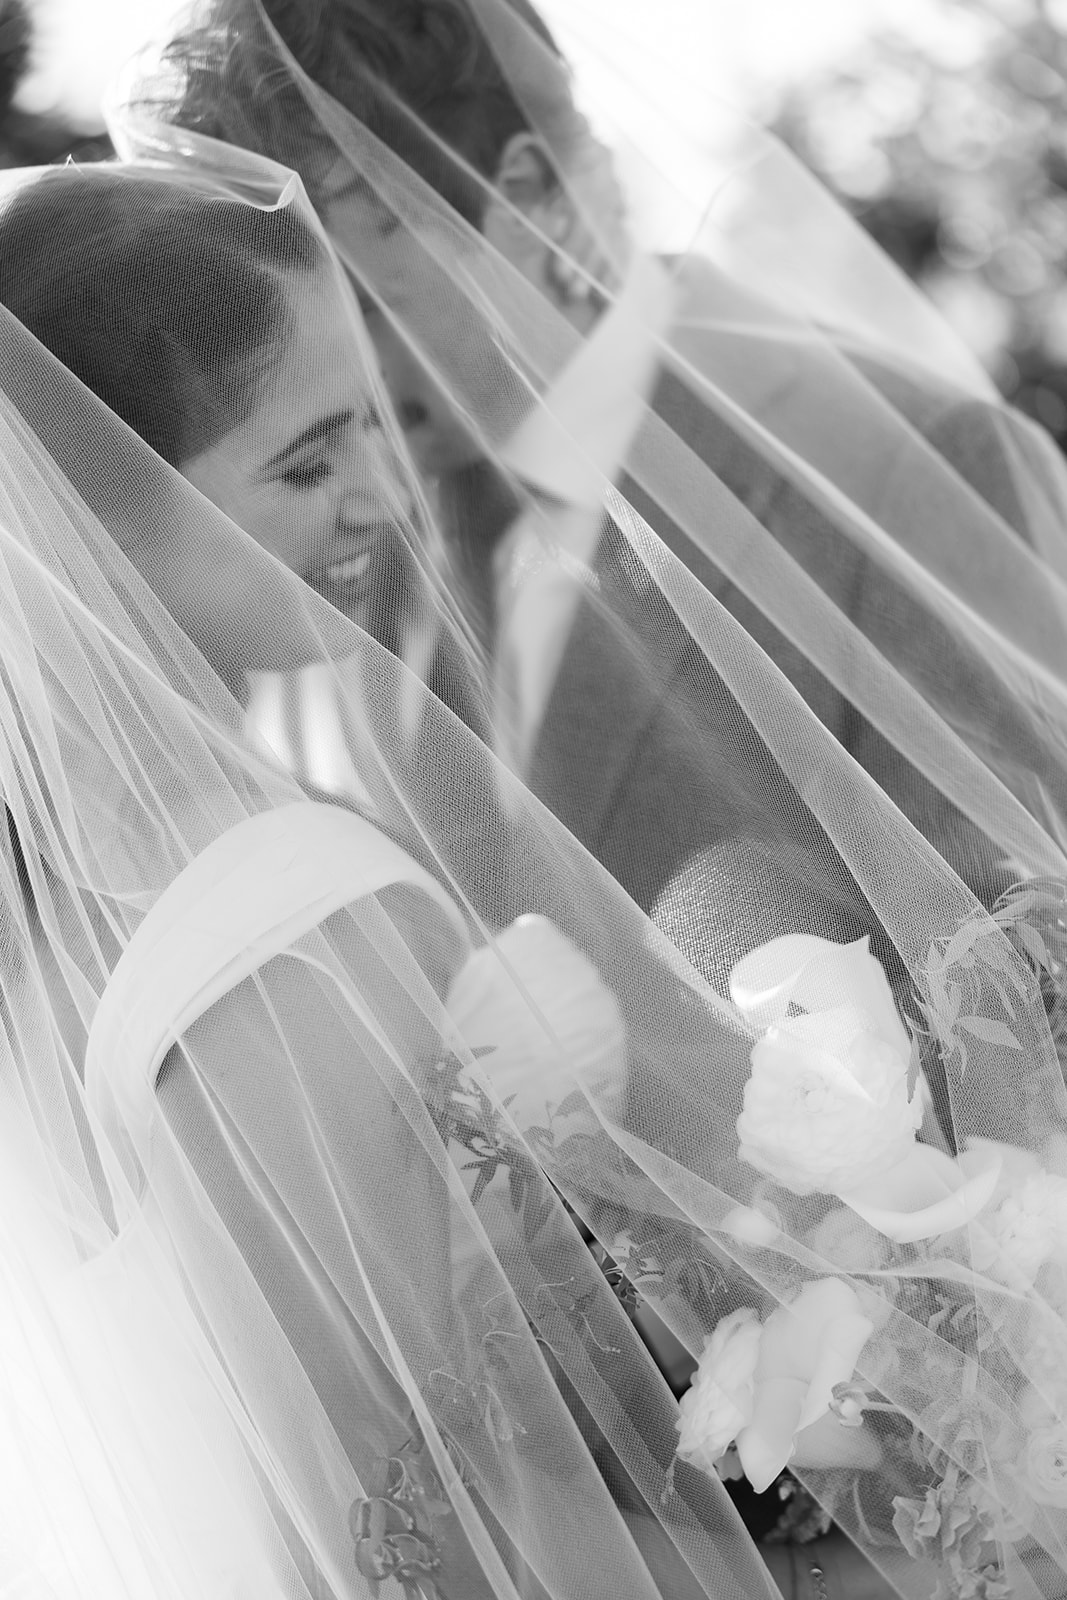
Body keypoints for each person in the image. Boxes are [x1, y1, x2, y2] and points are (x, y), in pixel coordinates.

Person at [2, 160, 1067, 1599]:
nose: (382, 500)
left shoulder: (71, 909)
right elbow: (431, 1509)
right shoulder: (269, 908)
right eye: (309, 464)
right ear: (93, 514)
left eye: (371, 430)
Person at [133, 0, 1067, 932]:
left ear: (528, 190)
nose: (325, 377)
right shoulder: (323, 549)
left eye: (358, 302)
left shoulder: (910, 469)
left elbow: (1023, 992)